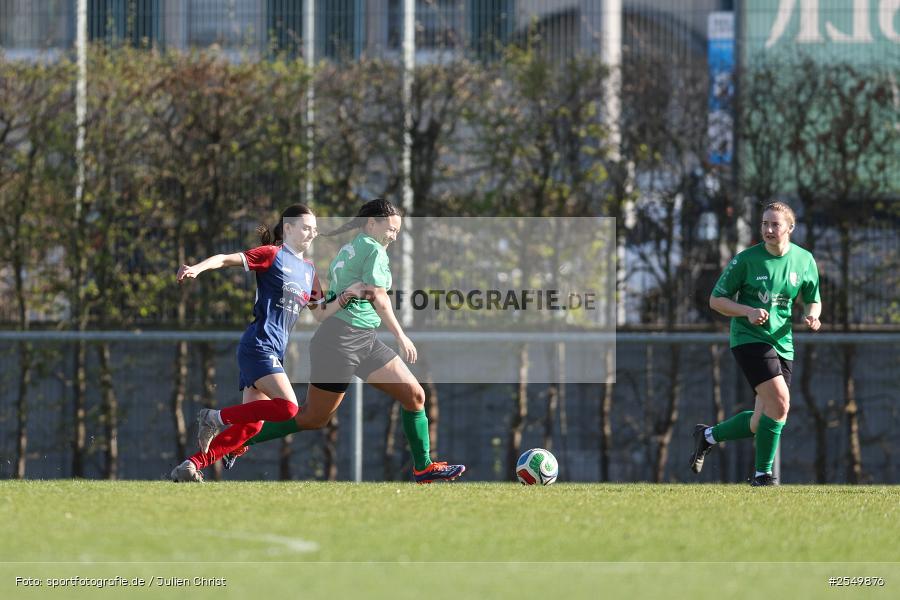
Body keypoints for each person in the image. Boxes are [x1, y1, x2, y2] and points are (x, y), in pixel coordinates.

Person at [223, 198, 465, 483]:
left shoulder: (352, 248)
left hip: (362, 338)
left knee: (415, 396)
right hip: (340, 341)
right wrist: (401, 336)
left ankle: (423, 468)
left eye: (398, 232)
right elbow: (377, 295)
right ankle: (237, 440)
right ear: (371, 224)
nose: (394, 236)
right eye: (390, 230)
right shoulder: (373, 249)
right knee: (313, 417)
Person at [170, 204, 363, 482]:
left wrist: (347, 296)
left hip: (273, 350)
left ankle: (190, 465)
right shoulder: (272, 255)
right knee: (288, 408)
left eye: (315, 229)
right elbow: (225, 259)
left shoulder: (309, 271)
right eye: (306, 227)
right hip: (258, 345)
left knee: (250, 428)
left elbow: (320, 313)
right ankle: (214, 417)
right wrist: (197, 268)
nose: (312, 233)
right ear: (288, 228)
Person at [689, 201, 822, 486]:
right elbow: (716, 300)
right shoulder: (746, 260)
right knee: (781, 403)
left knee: (760, 421)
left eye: (775, 224)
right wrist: (747, 311)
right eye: (765, 224)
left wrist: (812, 316)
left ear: (790, 228)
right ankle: (763, 475)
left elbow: (813, 298)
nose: (769, 229)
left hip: (782, 342)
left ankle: (708, 436)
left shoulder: (804, 260)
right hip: (749, 339)